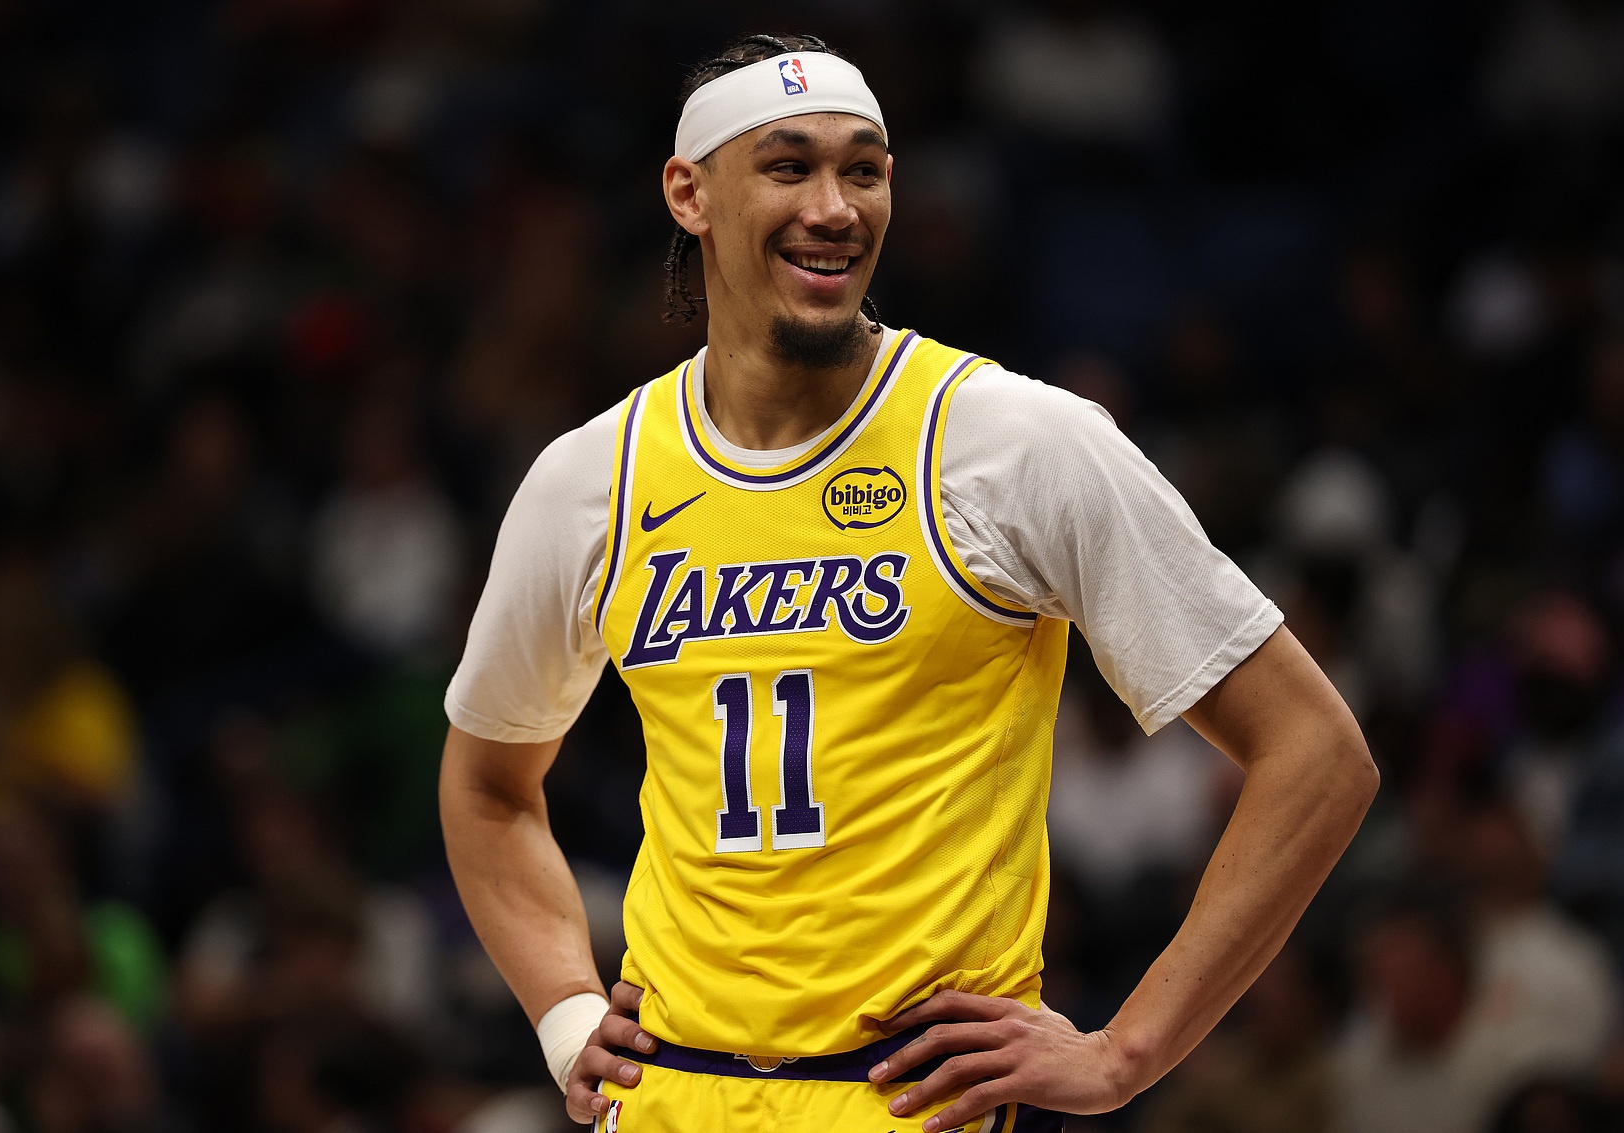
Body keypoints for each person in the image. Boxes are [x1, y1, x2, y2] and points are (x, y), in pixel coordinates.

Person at [438, 33, 1378, 1133]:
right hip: (666, 1100)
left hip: (915, 1104)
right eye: (789, 167)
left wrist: (1125, 1052)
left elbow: (1317, 753)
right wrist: (564, 1012)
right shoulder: (590, 477)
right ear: (689, 195)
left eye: (864, 170)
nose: (834, 208)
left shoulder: (1019, 441)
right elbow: (488, 786)